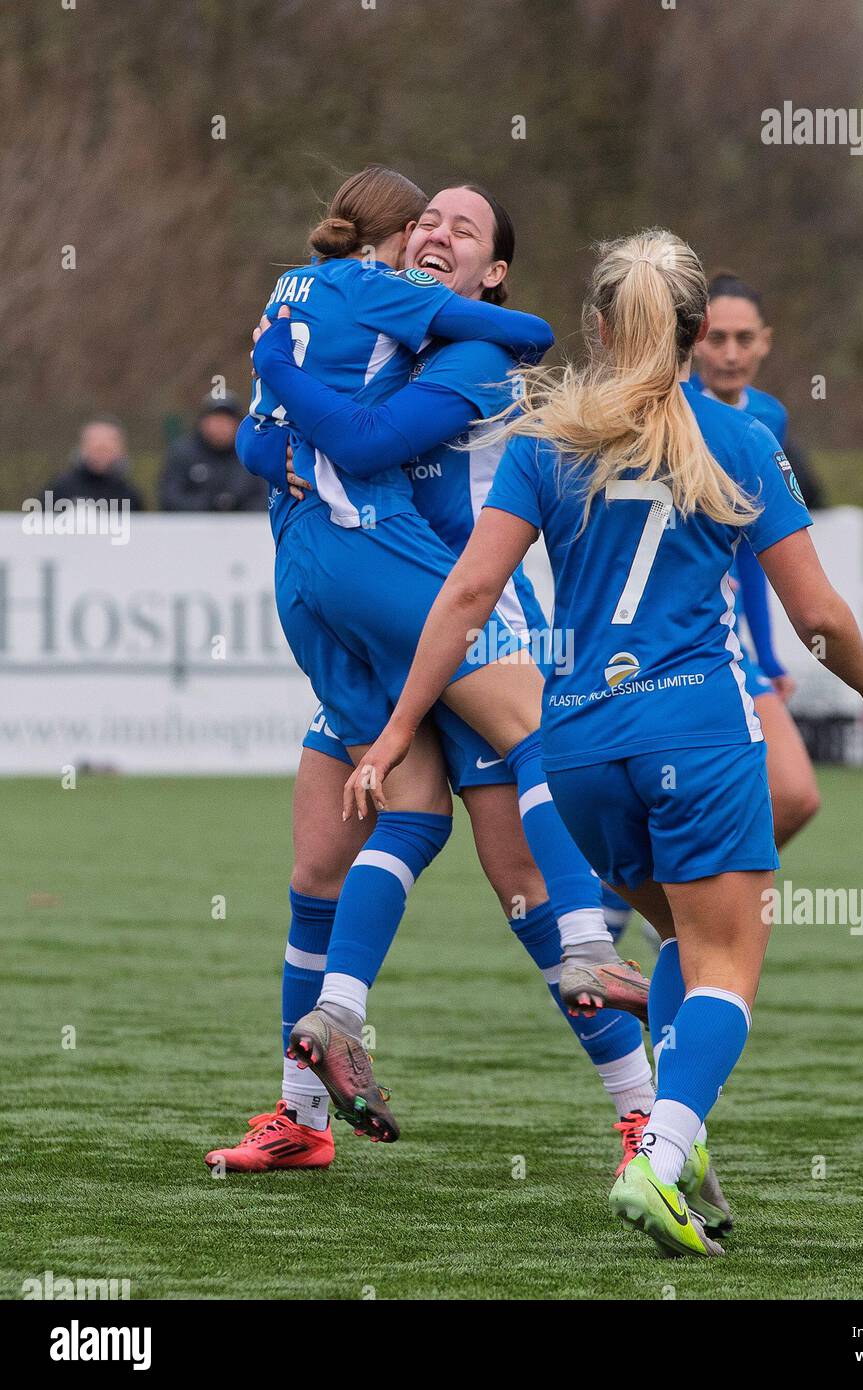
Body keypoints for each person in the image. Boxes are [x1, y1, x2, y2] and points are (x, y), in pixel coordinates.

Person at [345, 229, 863, 1256]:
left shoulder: (544, 440)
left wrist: (394, 730)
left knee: (672, 938)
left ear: (597, 327)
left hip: (573, 749)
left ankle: (676, 1136)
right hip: (693, 727)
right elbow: (816, 615)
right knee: (726, 965)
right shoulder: (733, 439)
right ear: (699, 334)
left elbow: (468, 594)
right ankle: (657, 1157)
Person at [208, 183, 662, 1191]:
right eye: (426, 220)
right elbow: (263, 434)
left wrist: (282, 394)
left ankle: (640, 1117)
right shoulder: (372, 328)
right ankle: (301, 1111)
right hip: (382, 631)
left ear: (490, 273)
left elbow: (355, 442)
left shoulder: (468, 352)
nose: (435, 233)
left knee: (525, 897)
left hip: (463, 621)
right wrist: (275, 416)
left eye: (463, 229)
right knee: (321, 859)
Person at [691, 272, 822, 849]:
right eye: (717, 338)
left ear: (766, 341)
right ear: (693, 339)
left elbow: (752, 550)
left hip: (729, 643)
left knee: (794, 796)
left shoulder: (769, 417)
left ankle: (669, 904)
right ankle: (637, 909)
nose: (731, 353)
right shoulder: (663, 412)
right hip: (667, 636)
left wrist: (766, 655)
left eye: (745, 339)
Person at [159, 392, 266, 511]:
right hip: (193, 526)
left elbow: (264, 496)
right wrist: (209, 505)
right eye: (216, 420)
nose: (221, 426)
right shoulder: (182, 453)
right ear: (202, 422)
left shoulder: (252, 454)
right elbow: (169, 497)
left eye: (226, 420)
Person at [44, 417, 145, 510]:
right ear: (82, 448)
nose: (101, 455)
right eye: (96, 448)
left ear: (120, 450)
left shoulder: (129, 494)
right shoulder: (60, 488)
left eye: (107, 449)